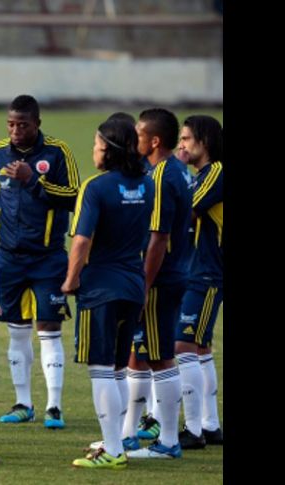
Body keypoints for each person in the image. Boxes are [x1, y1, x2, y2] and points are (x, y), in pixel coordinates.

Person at [0, 94, 79, 428]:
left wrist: (33, 180)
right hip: (8, 259)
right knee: (17, 332)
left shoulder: (57, 153)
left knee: (49, 329)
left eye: (23, 125)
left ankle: (54, 407)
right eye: (11, 124)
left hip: (48, 258)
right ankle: (23, 403)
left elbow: (75, 195)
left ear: (38, 124)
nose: (16, 131)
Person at [62, 119, 154, 469]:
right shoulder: (145, 185)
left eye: (97, 146)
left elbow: (81, 240)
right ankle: (116, 442)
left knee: (101, 369)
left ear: (110, 151)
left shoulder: (96, 187)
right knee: (117, 368)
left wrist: (71, 279)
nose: (93, 151)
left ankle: (113, 451)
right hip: (133, 283)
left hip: (100, 287)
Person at [121, 108, 192, 459]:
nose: (134, 141)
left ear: (154, 140)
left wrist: (143, 286)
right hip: (174, 272)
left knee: (161, 359)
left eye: (138, 135)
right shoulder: (176, 169)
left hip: (161, 278)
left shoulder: (163, 175)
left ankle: (168, 442)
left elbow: (159, 237)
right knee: (138, 354)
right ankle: (128, 434)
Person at [174, 115, 223, 449]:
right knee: (200, 348)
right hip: (195, 270)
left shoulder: (217, 172)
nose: (182, 145)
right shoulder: (197, 176)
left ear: (205, 141)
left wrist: (172, 176)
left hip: (207, 272)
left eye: (188, 139)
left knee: (183, 346)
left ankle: (192, 431)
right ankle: (210, 425)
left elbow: (185, 210)